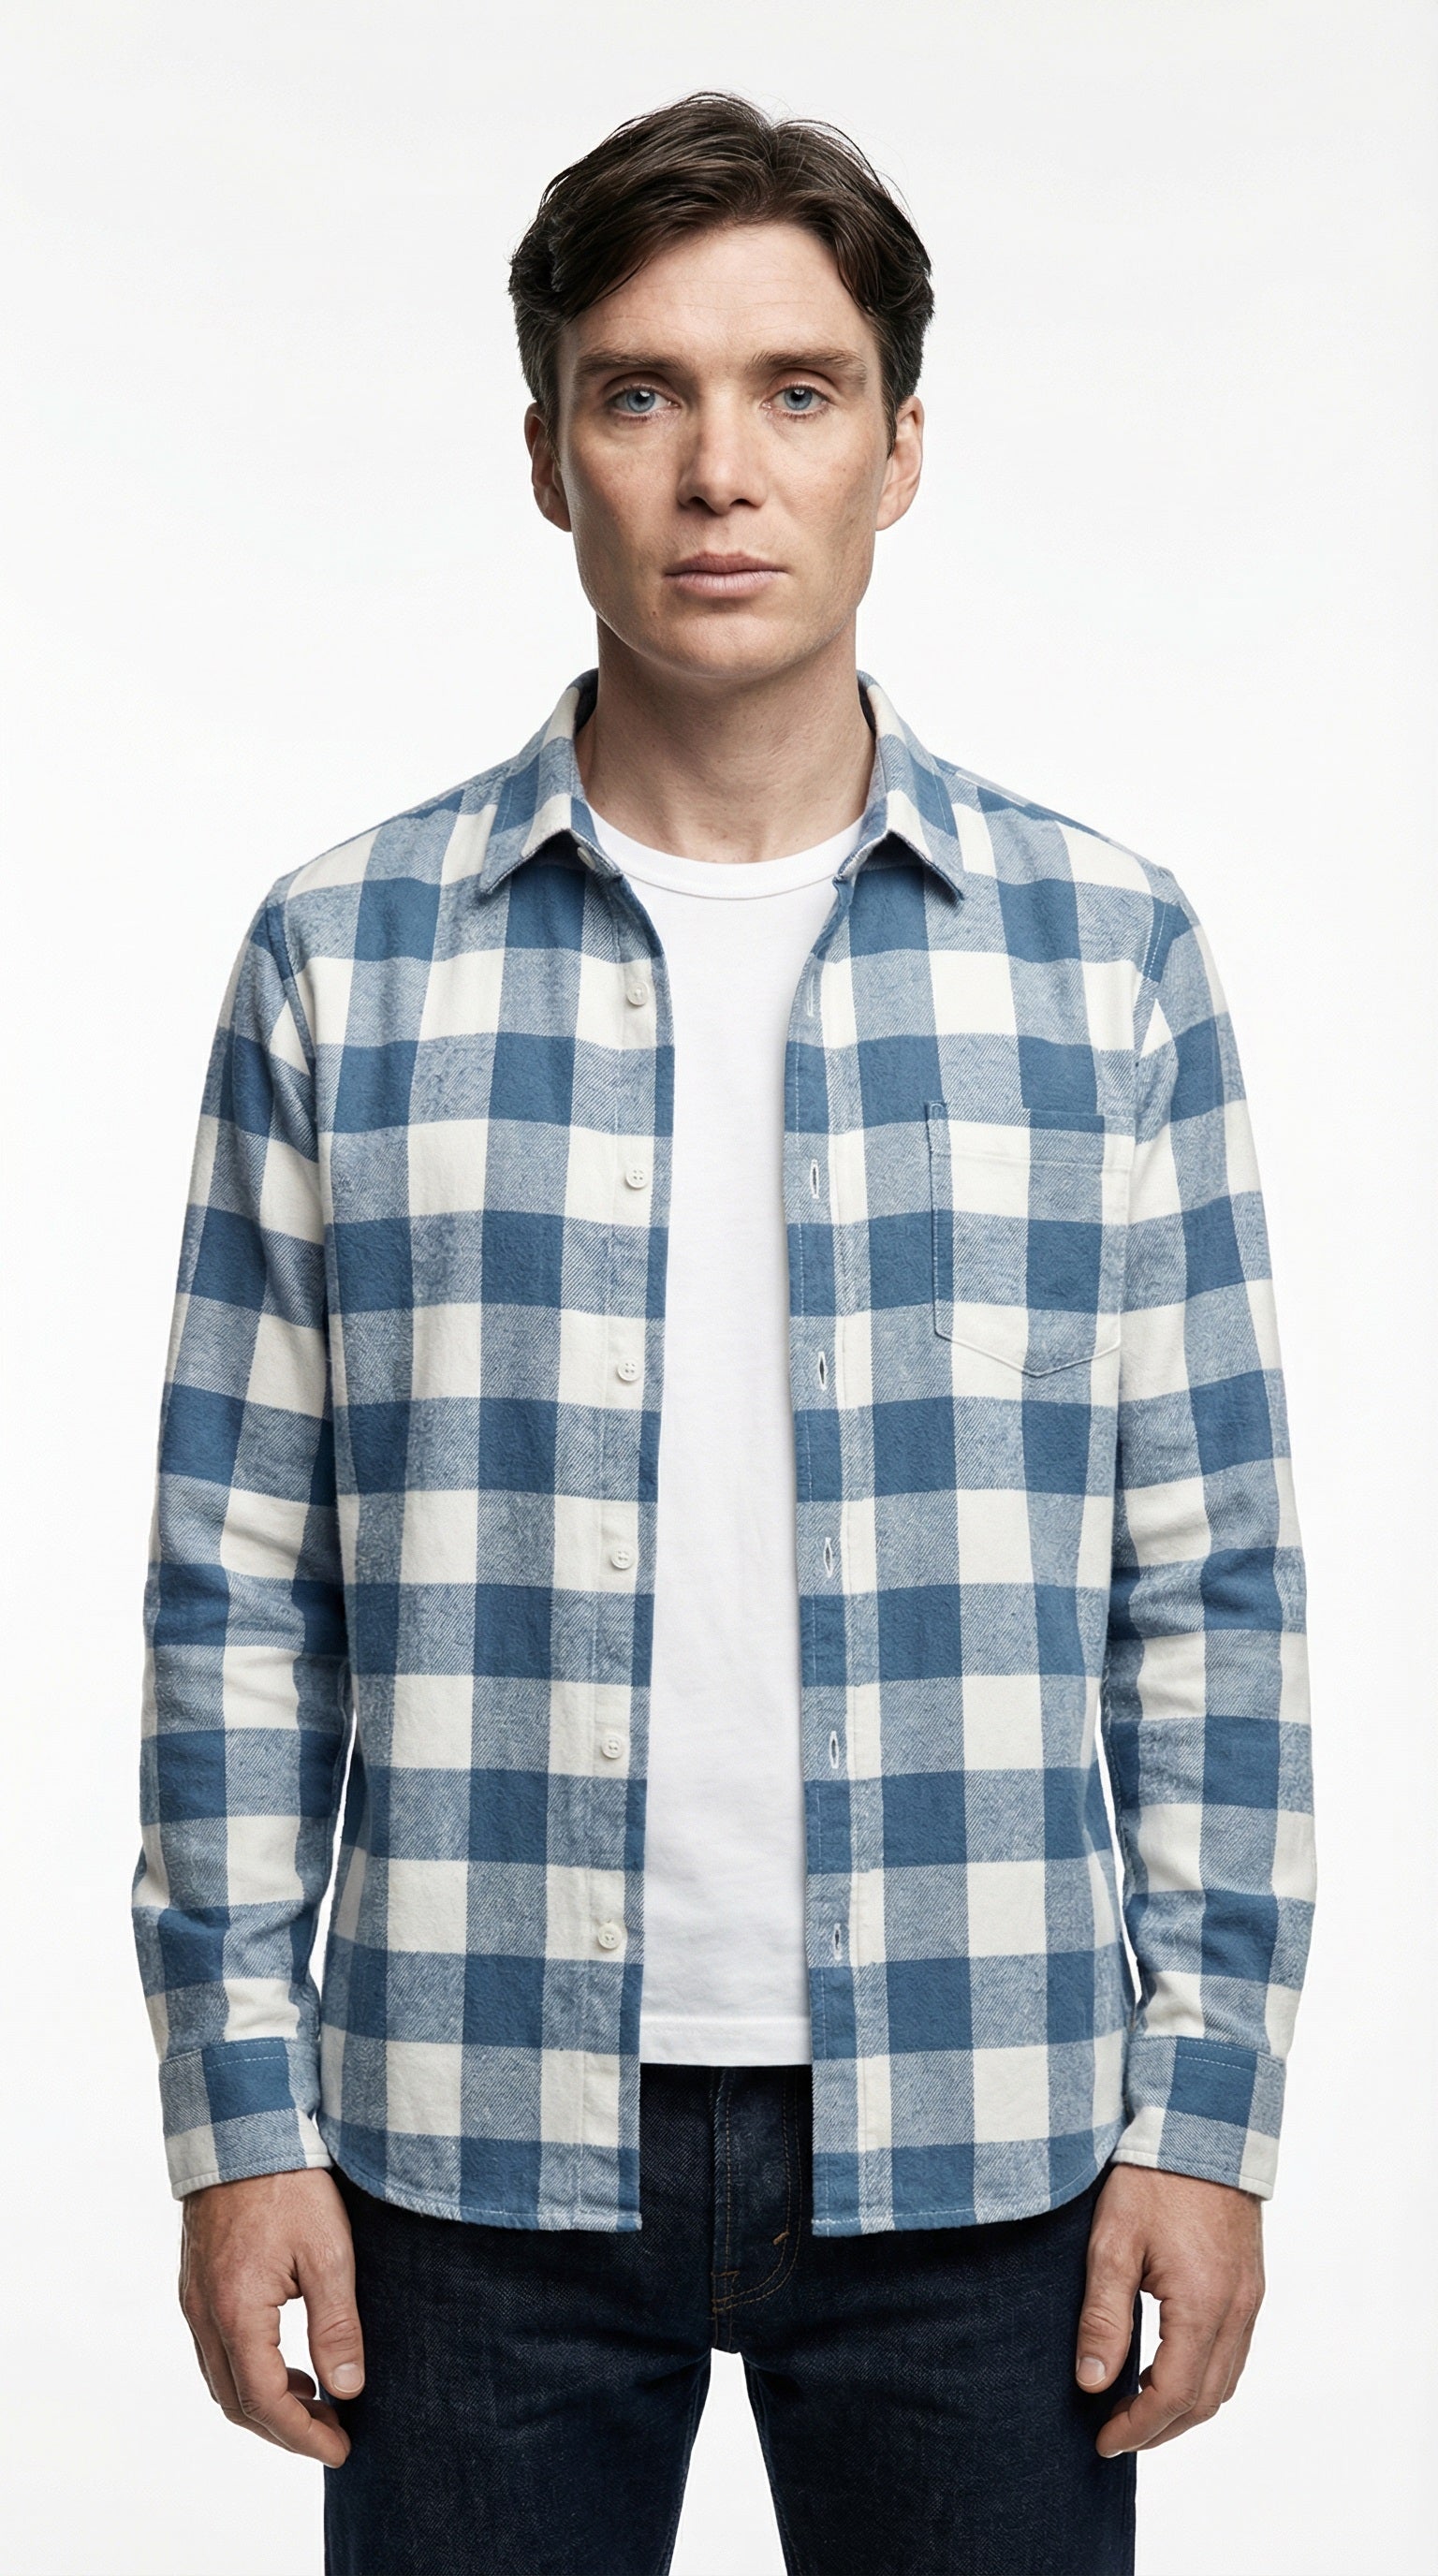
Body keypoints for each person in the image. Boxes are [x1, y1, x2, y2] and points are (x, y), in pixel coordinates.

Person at [132, 92, 1315, 2576]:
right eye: (640, 392)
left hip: (991, 2146)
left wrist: (1207, 2117)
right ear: (545, 456)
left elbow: (1210, 1585)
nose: (718, 472)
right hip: (460, 2153)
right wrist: (239, 2124)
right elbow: (236, 1589)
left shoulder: (1106, 960)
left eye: (797, 390)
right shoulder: (344, 960)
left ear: (903, 450)